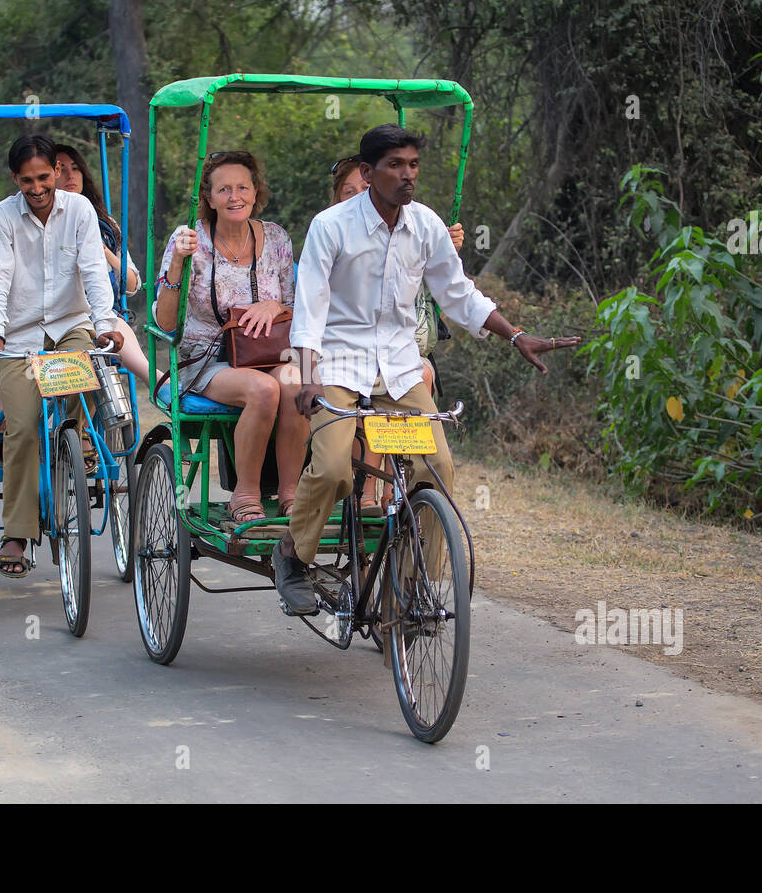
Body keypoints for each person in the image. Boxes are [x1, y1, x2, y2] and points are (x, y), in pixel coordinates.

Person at [272, 124, 582, 615]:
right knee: (333, 469)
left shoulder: (426, 226)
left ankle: (413, 586)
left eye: (413, 165)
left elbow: (457, 295)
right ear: (369, 172)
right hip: (337, 364)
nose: (407, 175)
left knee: (437, 466)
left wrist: (516, 335)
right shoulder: (331, 226)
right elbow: (309, 310)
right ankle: (292, 554)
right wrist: (308, 378)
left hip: (399, 367)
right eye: (395, 165)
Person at [0, 134, 123, 577]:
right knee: (20, 427)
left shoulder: (79, 211)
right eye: (27, 181)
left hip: (69, 327)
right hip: (17, 337)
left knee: (81, 375)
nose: (37, 188)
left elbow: (95, 270)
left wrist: (106, 325)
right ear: (14, 179)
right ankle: (17, 532)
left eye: (43, 177)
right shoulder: (4, 216)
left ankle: (75, 442)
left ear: (56, 173)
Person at [155, 150, 306, 525]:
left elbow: (293, 306)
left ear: (256, 192)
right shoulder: (190, 240)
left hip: (265, 353)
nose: (234, 196)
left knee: (294, 382)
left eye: (242, 187)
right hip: (205, 358)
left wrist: (272, 307)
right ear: (209, 198)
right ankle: (246, 494)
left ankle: (291, 494)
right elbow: (167, 323)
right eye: (224, 189)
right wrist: (177, 262)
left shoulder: (276, 238)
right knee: (263, 390)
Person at [329, 153, 464, 515]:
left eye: (366, 188)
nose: (361, 196)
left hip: (402, 353)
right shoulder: (333, 235)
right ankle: (369, 484)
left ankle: (398, 490)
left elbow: (453, 291)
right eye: (349, 192)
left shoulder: (411, 232)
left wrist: (445, 251)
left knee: (416, 374)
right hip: (343, 355)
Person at [53, 145, 154, 386]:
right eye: (61, 169)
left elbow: (131, 285)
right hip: (64, 313)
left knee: (109, 321)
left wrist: (103, 251)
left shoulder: (106, 226)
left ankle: (155, 381)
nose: (69, 176)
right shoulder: (47, 225)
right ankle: (156, 381)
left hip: (103, 313)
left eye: (75, 168)